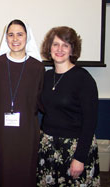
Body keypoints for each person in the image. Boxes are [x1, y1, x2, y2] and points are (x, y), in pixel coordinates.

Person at [36, 26, 100, 186]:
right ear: (49, 48)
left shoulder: (83, 79)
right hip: (49, 148)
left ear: (72, 50)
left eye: (65, 45)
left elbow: (90, 122)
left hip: (74, 148)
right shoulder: (46, 76)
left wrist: (80, 157)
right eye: (55, 44)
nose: (59, 49)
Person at [0, 19, 45, 187]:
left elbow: (40, 102)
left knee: (24, 175)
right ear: (6, 38)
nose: (15, 39)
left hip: (27, 133)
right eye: (11, 35)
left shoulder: (37, 68)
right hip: (0, 133)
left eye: (20, 34)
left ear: (27, 37)